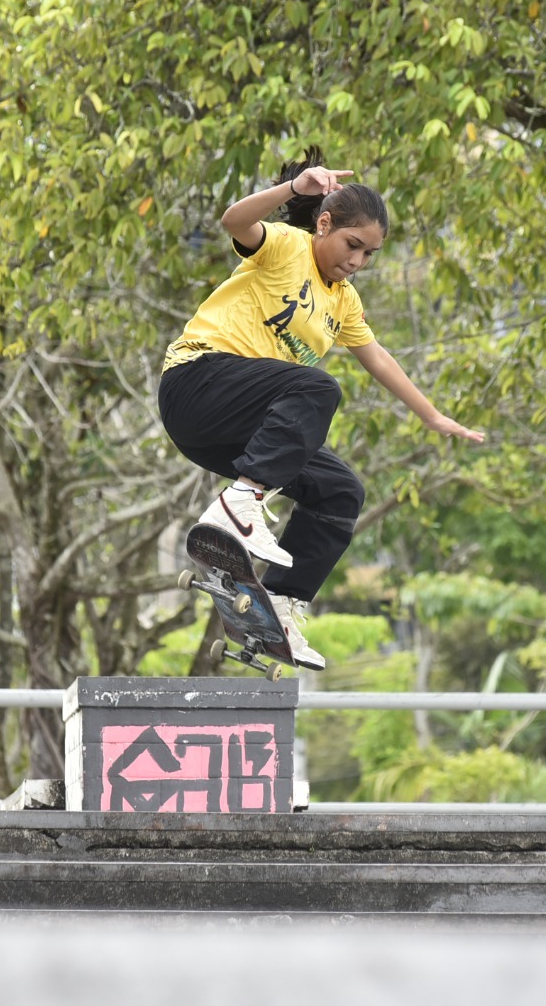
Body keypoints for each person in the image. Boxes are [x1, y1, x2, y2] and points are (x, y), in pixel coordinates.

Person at [158, 149, 485, 669]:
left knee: (339, 491)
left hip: (231, 430)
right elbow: (234, 221)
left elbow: (377, 357)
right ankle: (240, 504)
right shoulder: (286, 247)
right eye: (352, 245)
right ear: (325, 224)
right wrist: (293, 190)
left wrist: (432, 415)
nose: (356, 262)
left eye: (369, 255)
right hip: (195, 382)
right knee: (319, 388)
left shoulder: (344, 301)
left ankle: (280, 608)